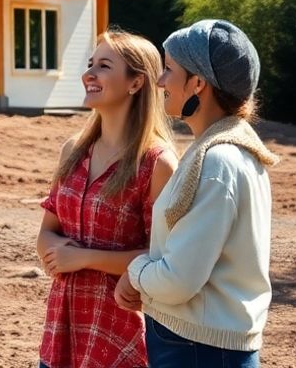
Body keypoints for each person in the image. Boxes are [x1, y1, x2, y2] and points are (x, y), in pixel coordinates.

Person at [115, 19, 278, 368]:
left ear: (198, 83)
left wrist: (135, 272)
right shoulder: (233, 151)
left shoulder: (218, 161)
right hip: (203, 344)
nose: (160, 81)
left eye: (169, 69)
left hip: (196, 349)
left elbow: (179, 280)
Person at [36, 28, 178, 368]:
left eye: (103, 65)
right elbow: (46, 234)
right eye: (90, 64)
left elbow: (164, 257)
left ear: (136, 82)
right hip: (62, 328)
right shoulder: (73, 151)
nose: (89, 74)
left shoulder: (157, 163)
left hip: (120, 330)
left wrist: (83, 258)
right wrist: (62, 255)